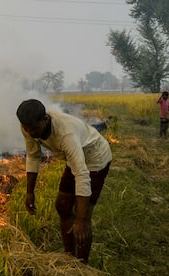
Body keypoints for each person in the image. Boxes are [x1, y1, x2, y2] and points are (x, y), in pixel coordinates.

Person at [16, 99, 113, 264]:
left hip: (95, 158)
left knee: (83, 213)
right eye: (26, 128)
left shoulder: (65, 134)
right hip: (75, 158)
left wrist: (81, 220)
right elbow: (33, 156)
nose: (30, 132)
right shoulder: (28, 126)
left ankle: (82, 265)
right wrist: (29, 192)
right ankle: (69, 259)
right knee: (62, 206)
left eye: (34, 128)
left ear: (45, 119)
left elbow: (82, 174)